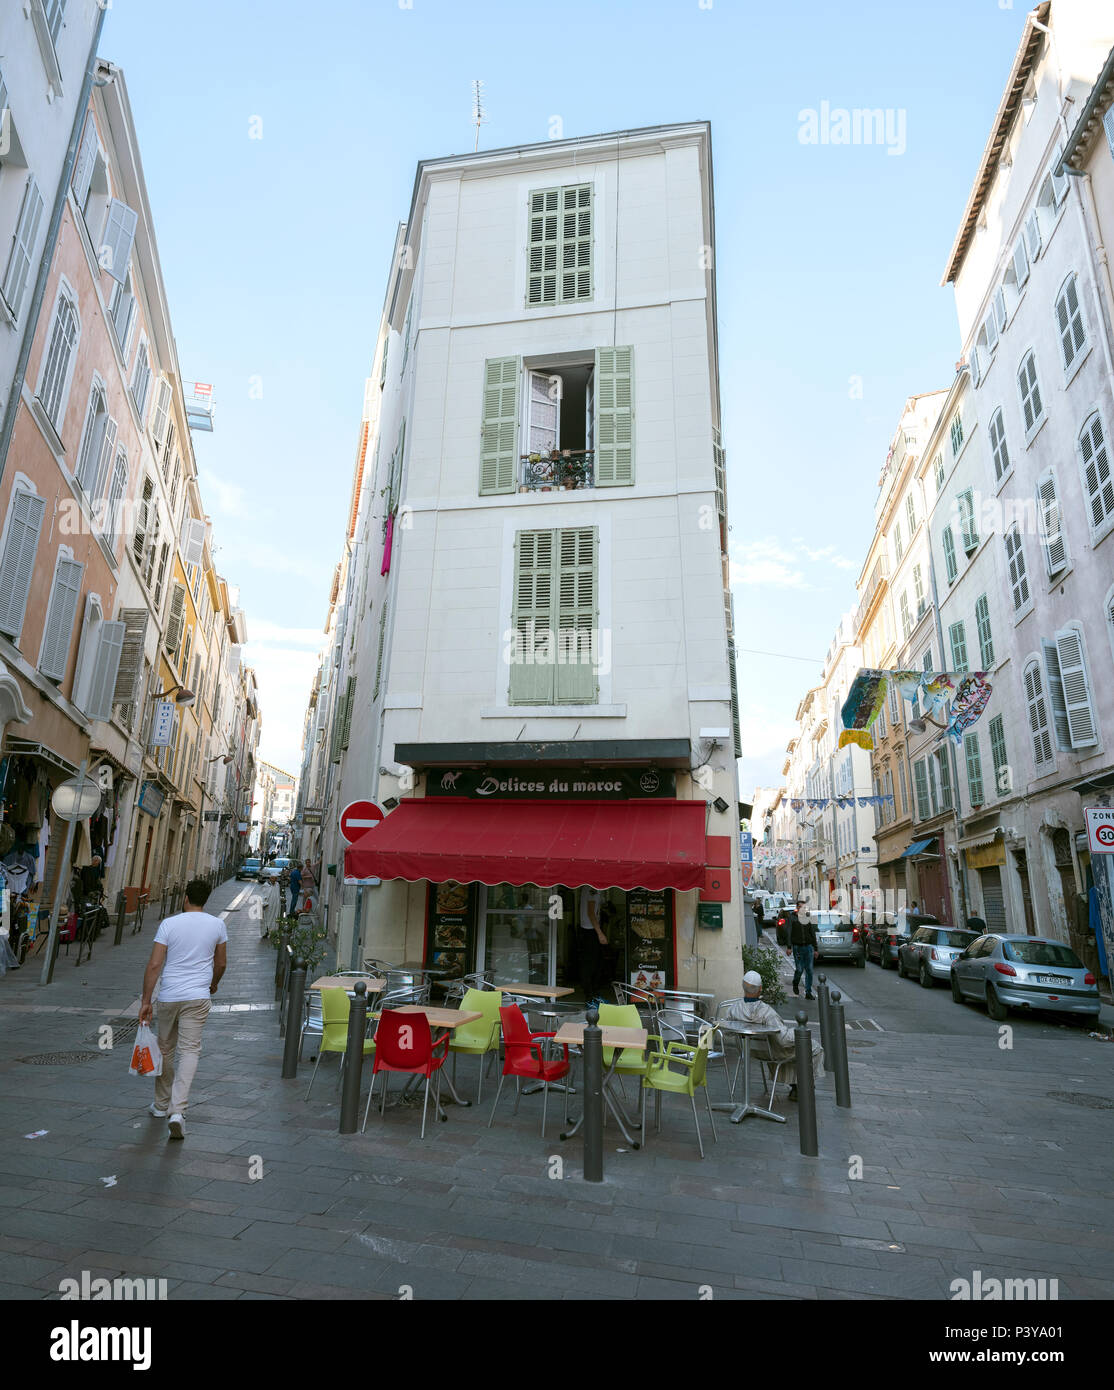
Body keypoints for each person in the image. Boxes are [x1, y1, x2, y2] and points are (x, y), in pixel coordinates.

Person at [139, 878, 227, 1141]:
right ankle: (178, 1111)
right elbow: (221, 963)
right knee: (190, 1050)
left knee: (165, 1048)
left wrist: (146, 1001)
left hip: (169, 996)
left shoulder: (169, 924)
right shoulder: (218, 925)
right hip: (198, 996)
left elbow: (155, 965)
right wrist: (212, 984)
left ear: (186, 898)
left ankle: (161, 1104)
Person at [722, 971, 823, 1100]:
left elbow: (728, 1031)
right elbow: (784, 1040)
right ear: (760, 989)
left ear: (743, 986)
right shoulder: (767, 1013)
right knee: (811, 1047)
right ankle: (802, 1087)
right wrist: (799, 1032)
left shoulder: (733, 1009)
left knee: (789, 1048)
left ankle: (796, 1087)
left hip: (749, 1051)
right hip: (772, 1052)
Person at [577, 885, 608, 1006]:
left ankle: (593, 994)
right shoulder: (592, 888)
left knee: (596, 963)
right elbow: (591, 913)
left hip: (590, 930)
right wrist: (600, 933)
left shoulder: (594, 888)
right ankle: (589, 997)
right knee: (590, 965)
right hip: (589, 930)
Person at [789, 895, 818, 999]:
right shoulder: (792, 917)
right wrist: (789, 947)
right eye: (800, 907)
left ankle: (808, 992)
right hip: (798, 947)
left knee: (809, 970)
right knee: (800, 969)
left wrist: (815, 948)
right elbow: (789, 932)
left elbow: (812, 933)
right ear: (797, 908)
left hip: (809, 947)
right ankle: (795, 982)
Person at [258, 875, 279, 940]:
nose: (274, 879)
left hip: (275, 906)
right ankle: (265, 932)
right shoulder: (266, 886)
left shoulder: (277, 885)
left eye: (275, 878)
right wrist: (264, 904)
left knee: (274, 919)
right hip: (268, 906)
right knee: (266, 919)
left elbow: (277, 894)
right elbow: (262, 895)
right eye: (272, 878)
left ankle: (273, 932)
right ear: (270, 878)